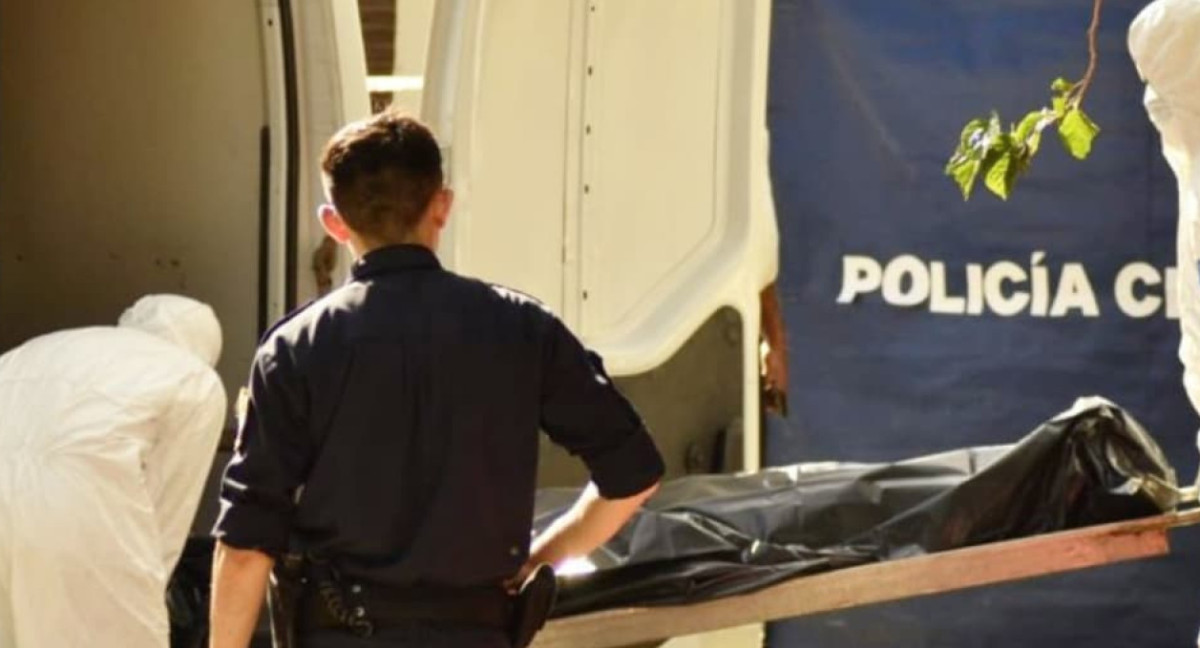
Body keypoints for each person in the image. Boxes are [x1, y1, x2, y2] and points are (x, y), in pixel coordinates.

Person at [210, 111, 665, 648]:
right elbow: (633, 474)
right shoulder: (523, 328)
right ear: (441, 206)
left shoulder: (294, 349)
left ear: (334, 223)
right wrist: (541, 558)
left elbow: (245, 547)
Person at [0, 294, 227, 648]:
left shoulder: (48, 345)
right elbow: (169, 506)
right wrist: (149, 589)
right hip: (80, 510)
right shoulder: (193, 378)